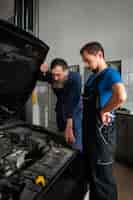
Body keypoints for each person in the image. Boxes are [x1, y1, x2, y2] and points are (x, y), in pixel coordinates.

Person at [80, 42, 127, 200]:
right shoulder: (93, 77)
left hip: (102, 135)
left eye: (88, 60)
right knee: (93, 176)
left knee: (103, 181)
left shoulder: (110, 73)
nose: (86, 64)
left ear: (99, 55)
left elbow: (121, 96)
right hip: (89, 133)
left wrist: (104, 110)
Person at [38, 58, 82, 151]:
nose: (55, 78)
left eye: (58, 75)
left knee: (74, 140)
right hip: (61, 108)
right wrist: (40, 69)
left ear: (66, 71)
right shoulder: (53, 76)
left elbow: (72, 101)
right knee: (62, 136)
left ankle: (77, 156)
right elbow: (39, 76)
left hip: (75, 109)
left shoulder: (75, 78)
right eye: (53, 74)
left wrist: (69, 125)